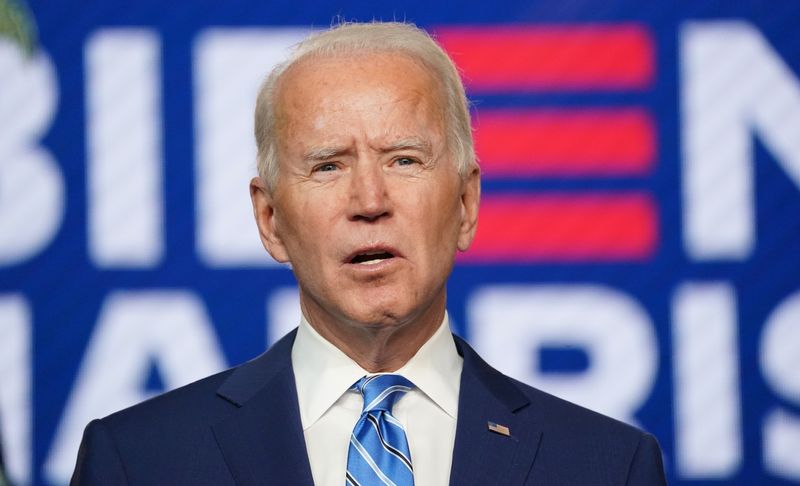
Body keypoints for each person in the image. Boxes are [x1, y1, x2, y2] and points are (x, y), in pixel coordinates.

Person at [71, 21, 667, 485]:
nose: (370, 200)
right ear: (270, 219)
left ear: (465, 203)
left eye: (404, 159)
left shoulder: (606, 466)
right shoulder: (140, 461)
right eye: (327, 166)